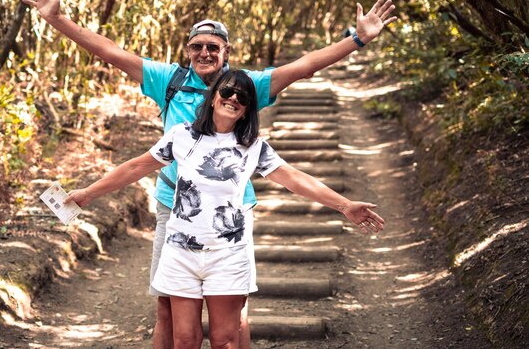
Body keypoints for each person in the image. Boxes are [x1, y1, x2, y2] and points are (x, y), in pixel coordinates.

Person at [22, 0, 397, 349]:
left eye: (213, 47)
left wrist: (357, 40)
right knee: (167, 310)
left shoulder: (246, 86)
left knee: (234, 320)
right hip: (175, 207)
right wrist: (58, 20)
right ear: (187, 50)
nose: (205, 53)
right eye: (198, 46)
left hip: (231, 211)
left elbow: (302, 67)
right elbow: (110, 53)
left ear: (226, 51)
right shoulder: (169, 82)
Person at [65, 70, 385, 349]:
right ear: (214, 95)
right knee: (185, 341)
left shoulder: (253, 147)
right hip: (180, 253)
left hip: (227, 257)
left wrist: (344, 205)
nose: (233, 98)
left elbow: (295, 179)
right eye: (227, 90)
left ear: (247, 108)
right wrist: (89, 193)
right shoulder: (181, 136)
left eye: (243, 96)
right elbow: (136, 167)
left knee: (224, 341)